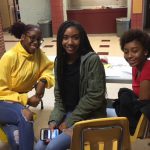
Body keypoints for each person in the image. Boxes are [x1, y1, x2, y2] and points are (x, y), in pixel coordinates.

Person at [34, 20, 107, 150]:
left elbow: (95, 97)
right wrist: (54, 121)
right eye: (65, 38)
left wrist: (69, 122)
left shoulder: (92, 60)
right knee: (40, 146)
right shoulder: (59, 61)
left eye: (75, 38)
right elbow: (59, 98)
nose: (70, 42)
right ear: (60, 40)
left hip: (89, 116)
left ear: (82, 39)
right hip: (69, 114)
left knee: (52, 147)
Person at [0, 22, 54, 150]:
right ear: (23, 37)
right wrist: (27, 100)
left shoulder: (37, 54)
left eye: (39, 40)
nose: (36, 42)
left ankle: (6, 124)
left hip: (15, 103)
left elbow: (48, 68)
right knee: (26, 116)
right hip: (2, 100)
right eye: (32, 38)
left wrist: (43, 80)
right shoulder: (9, 57)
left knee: (18, 139)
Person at [113, 29, 150, 135]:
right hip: (140, 107)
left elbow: (144, 105)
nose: (129, 55)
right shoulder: (136, 67)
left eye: (134, 51)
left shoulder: (147, 69)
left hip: (145, 115)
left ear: (145, 51)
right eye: (126, 51)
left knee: (124, 95)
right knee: (123, 95)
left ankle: (127, 130)